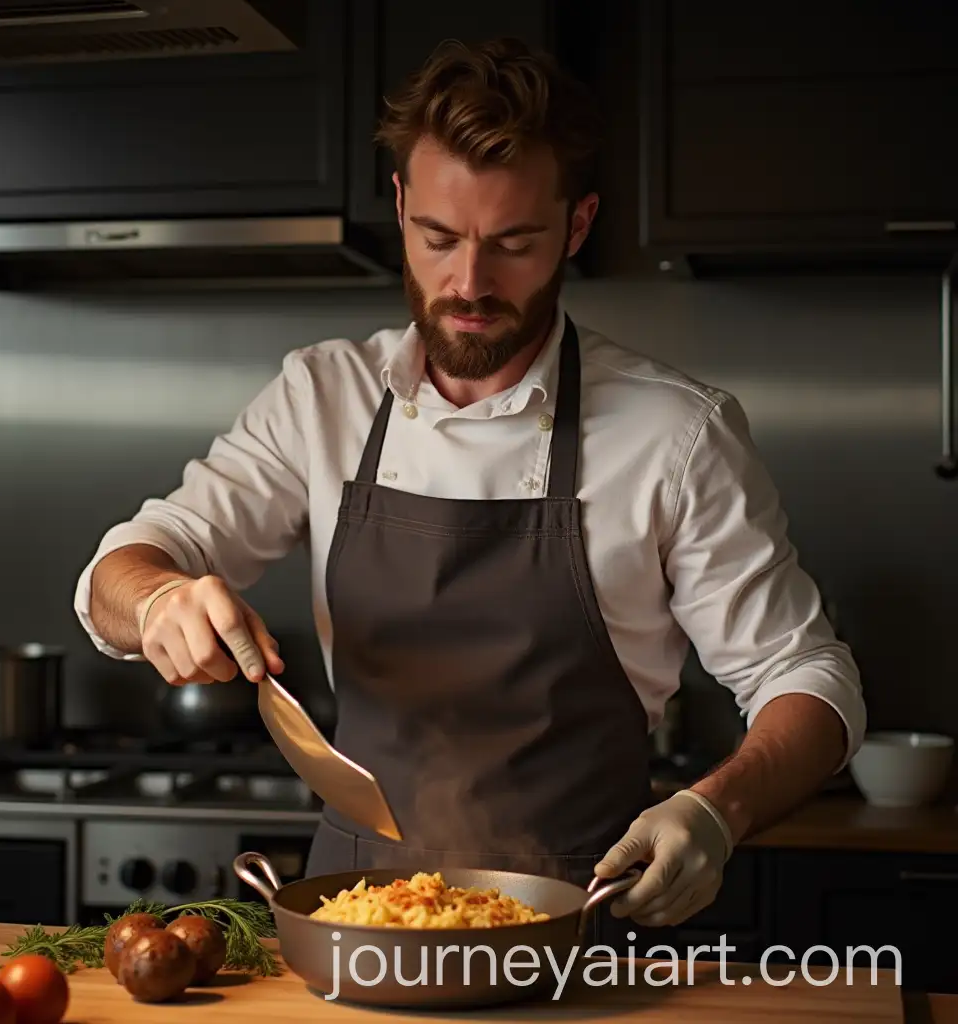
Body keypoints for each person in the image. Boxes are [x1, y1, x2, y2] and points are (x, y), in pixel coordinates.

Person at [74, 36, 864, 937]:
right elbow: (122, 571)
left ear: (577, 224)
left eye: (514, 243)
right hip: (355, 922)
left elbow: (810, 677)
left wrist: (717, 810)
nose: (469, 283)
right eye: (438, 239)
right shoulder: (320, 397)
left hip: (581, 921)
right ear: (401, 205)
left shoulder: (677, 432)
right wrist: (161, 599)